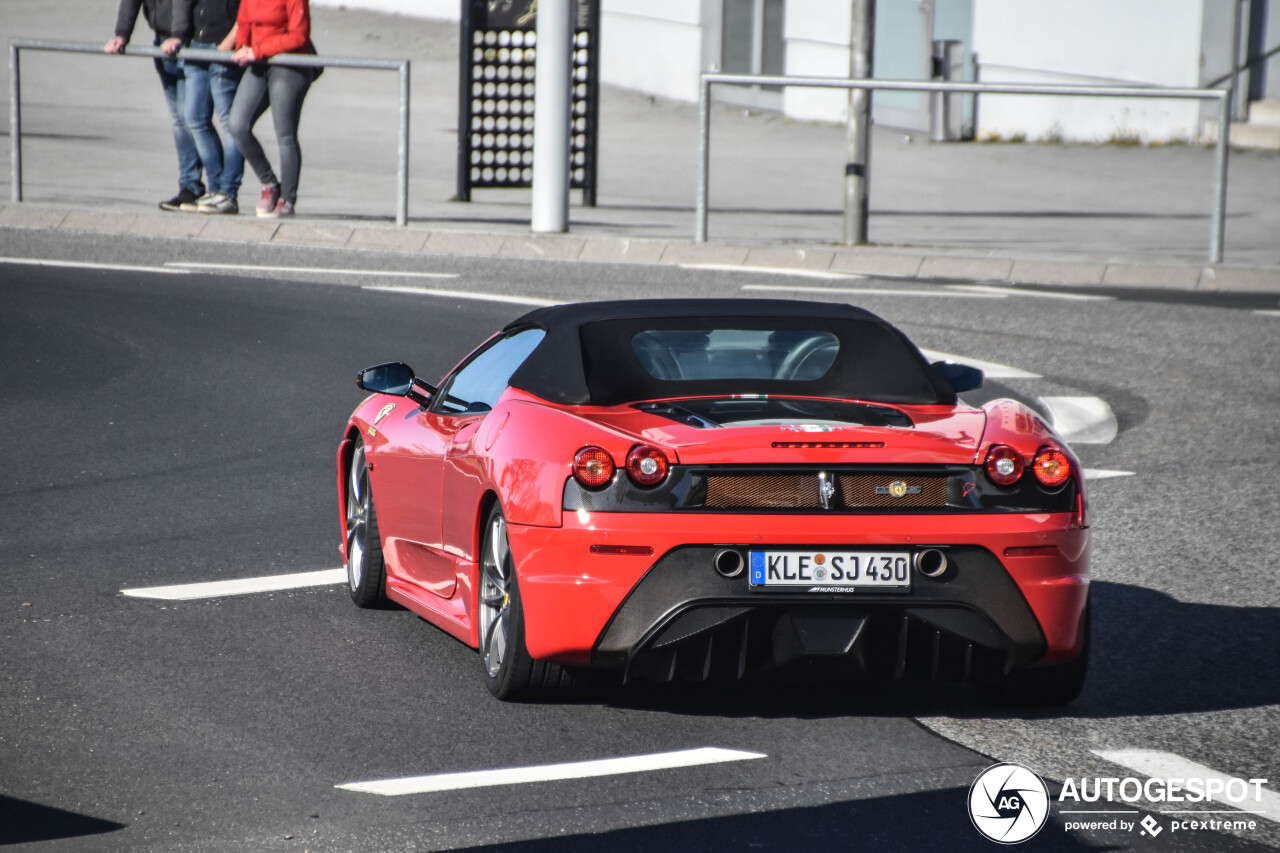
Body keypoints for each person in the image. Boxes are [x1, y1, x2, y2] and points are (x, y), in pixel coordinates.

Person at [106, 0, 207, 212]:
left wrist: (178, 35)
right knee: (180, 119)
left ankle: (217, 189)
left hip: (191, 41)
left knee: (194, 119)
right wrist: (122, 33)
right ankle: (190, 186)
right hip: (163, 41)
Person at [227, 0, 316, 218]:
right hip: (258, 63)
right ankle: (269, 183)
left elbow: (299, 36)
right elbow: (244, 24)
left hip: (288, 63)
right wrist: (241, 48)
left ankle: (287, 198)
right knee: (237, 125)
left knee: (285, 133)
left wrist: (258, 50)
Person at [173, 0, 245, 214]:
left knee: (229, 122)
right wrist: (179, 34)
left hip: (226, 45)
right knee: (194, 117)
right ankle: (216, 189)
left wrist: (229, 42)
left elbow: (249, 9)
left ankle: (228, 192)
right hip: (197, 43)